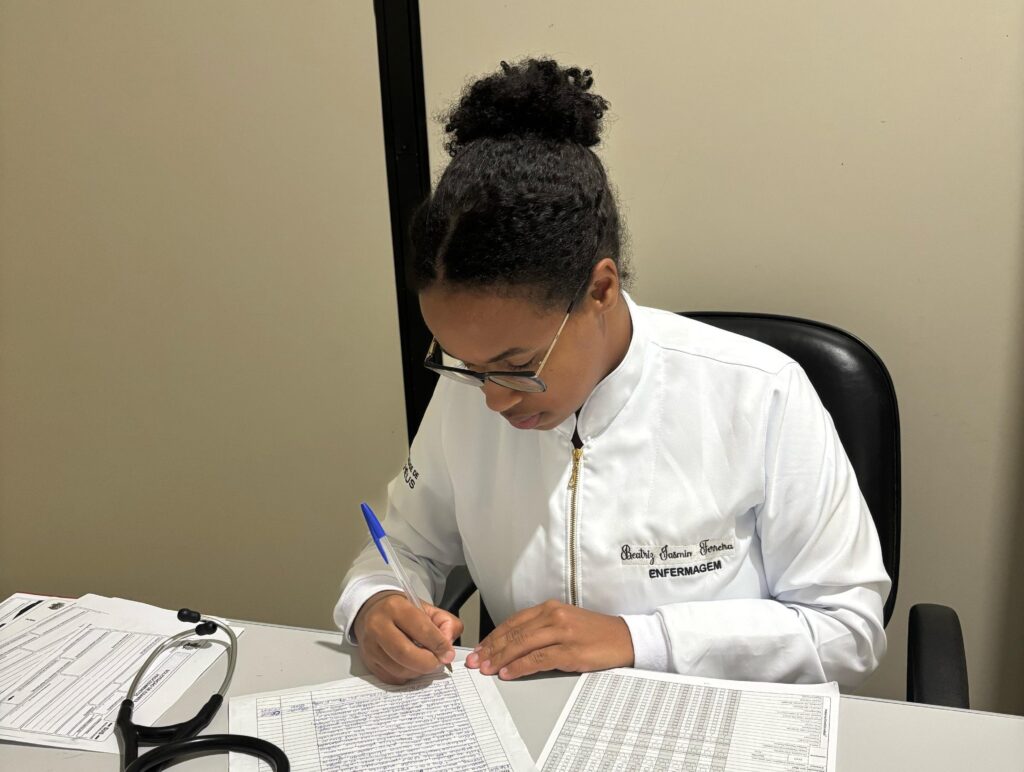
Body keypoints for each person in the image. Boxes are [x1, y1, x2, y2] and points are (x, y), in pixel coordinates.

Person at [335, 58, 890, 688]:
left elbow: (847, 627)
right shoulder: (468, 394)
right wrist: (374, 603)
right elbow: (403, 545)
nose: (491, 399)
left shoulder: (759, 391)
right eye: (467, 365)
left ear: (601, 289)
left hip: (712, 716)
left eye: (517, 366)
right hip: (526, 716)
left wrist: (637, 639)